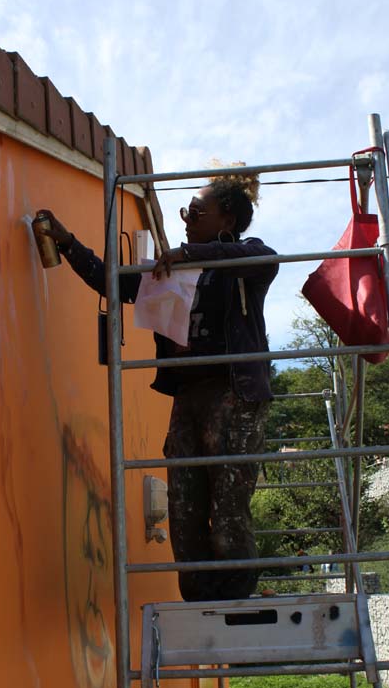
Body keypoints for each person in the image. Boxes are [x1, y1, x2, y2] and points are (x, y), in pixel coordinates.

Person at [41, 170, 278, 601]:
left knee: (227, 504)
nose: (185, 218)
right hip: (188, 396)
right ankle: (200, 597)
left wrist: (191, 252)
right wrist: (68, 243)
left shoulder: (244, 260)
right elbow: (111, 282)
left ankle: (237, 595)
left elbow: (266, 258)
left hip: (233, 394)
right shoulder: (168, 271)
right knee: (184, 505)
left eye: (196, 210)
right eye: (185, 211)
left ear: (226, 219)